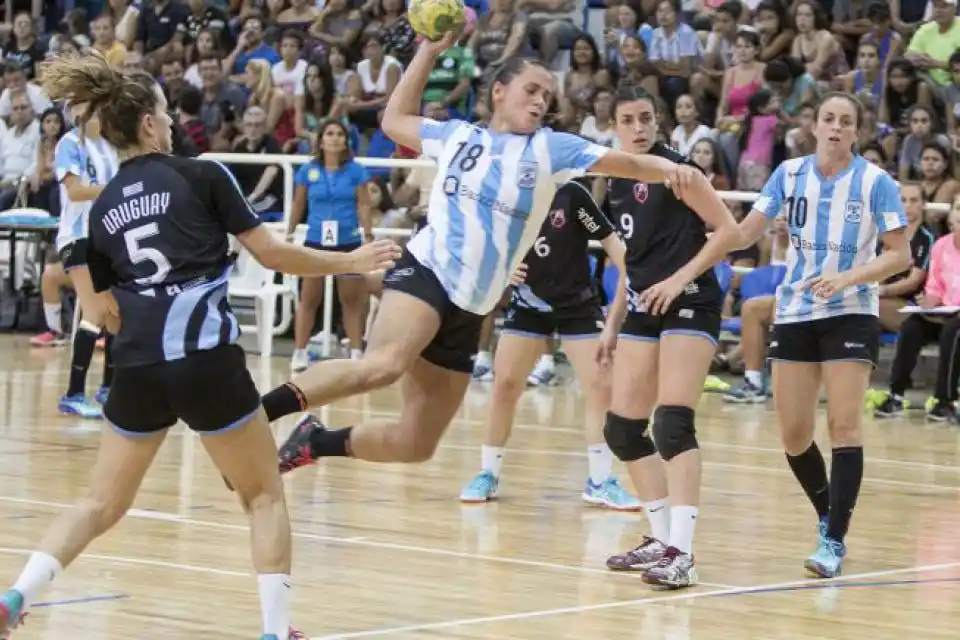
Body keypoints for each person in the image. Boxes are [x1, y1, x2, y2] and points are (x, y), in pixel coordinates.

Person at [0, 53, 402, 640]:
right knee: (262, 494)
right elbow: (272, 254)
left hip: (138, 366)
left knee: (99, 504)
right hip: (206, 360)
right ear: (146, 124)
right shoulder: (203, 174)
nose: (171, 124)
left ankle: (14, 598)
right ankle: (274, 631)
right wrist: (350, 261)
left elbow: (101, 309)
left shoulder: (105, 205)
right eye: (164, 115)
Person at [258, 35, 710, 483]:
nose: (539, 101)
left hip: (471, 308)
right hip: (428, 273)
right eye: (530, 90)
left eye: (546, 95)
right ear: (498, 92)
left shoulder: (553, 148)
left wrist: (678, 171)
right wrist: (427, 53)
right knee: (383, 366)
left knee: (416, 444)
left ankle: (313, 442)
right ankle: (255, 414)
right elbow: (394, 119)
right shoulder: (455, 135)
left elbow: (630, 164)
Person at [737, 92, 911, 579]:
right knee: (794, 436)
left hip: (851, 310)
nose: (836, 127)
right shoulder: (788, 175)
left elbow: (900, 255)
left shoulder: (876, 183)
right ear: (814, 126)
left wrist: (849, 278)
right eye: (828, 119)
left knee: (843, 426)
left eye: (846, 121)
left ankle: (834, 538)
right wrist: (703, 237)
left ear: (857, 131)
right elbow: (746, 231)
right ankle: (827, 515)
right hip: (795, 311)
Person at [596, 86, 742, 589]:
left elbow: (731, 231)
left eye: (645, 119)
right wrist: (614, 323)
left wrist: (681, 278)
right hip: (644, 305)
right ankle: (660, 539)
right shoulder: (613, 173)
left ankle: (683, 553)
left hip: (691, 299)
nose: (638, 128)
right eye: (628, 120)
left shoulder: (678, 170)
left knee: (673, 424)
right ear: (613, 126)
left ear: (658, 123)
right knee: (621, 430)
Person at [459, 178, 641, 510]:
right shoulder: (505, 196)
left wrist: (619, 311)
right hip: (529, 304)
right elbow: (482, 245)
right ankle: (488, 472)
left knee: (601, 385)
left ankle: (600, 481)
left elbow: (618, 250)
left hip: (577, 305)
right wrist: (503, 270)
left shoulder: (572, 195)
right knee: (505, 385)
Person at [286, 119, 374, 372]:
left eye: (339, 134)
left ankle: (356, 352)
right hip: (315, 241)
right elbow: (298, 205)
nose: (335, 138)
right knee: (309, 298)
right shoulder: (308, 171)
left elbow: (364, 204)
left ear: (346, 141)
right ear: (321, 140)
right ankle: (300, 352)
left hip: (348, 241)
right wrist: (290, 233)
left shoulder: (356, 171)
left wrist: (368, 235)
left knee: (351, 299)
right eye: (330, 134)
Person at [53, 104, 120, 419]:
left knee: (115, 311)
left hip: (107, 237)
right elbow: (76, 191)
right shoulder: (68, 144)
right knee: (95, 310)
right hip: (77, 237)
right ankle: (74, 393)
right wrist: (115, 190)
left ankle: (109, 388)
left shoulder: (110, 146)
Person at [874, 200, 955, 421]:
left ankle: (944, 400)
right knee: (912, 326)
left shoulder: (927, 239)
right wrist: (930, 299)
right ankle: (896, 395)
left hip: (956, 317)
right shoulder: (941, 245)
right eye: (956, 209)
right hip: (942, 311)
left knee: (953, 330)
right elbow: (935, 284)